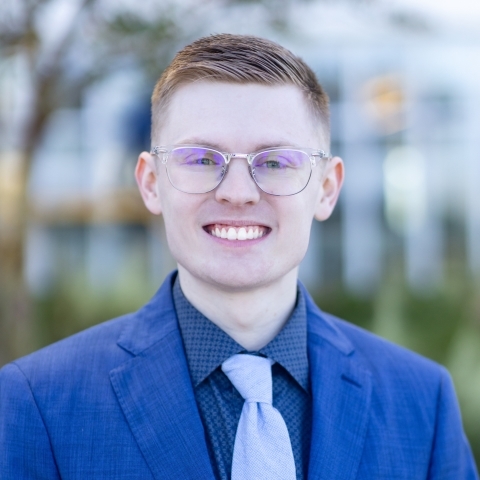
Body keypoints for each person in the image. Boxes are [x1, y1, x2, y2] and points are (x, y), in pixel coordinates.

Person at [0, 34, 477, 480]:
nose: (237, 192)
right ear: (151, 183)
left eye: (276, 162)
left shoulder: (422, 403)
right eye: (202, 159)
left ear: (327, 188)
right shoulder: (37, 402)